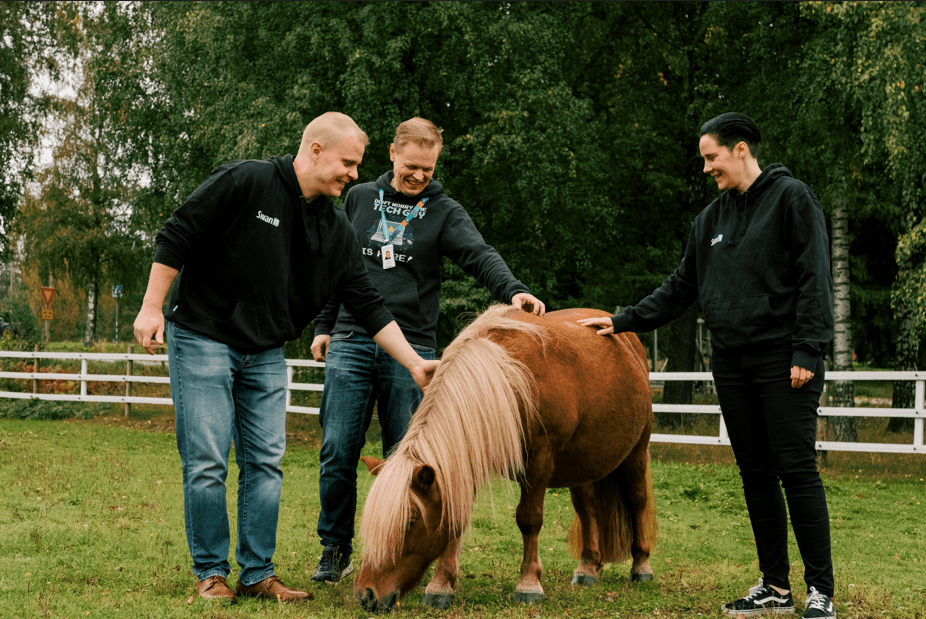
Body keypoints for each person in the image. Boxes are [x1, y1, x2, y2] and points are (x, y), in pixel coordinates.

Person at [133, 112, 440, 604]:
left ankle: (257, 574)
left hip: (265, 351)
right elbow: (178, 233)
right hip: (203, 336)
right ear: (315, 150)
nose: (354, 174)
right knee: (208, 460)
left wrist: (413, 362)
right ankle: (212, 572)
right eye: (348, 162)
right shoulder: (248, 180)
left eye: (358, 166)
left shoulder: (334, 227)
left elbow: (363, 299)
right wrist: (152, 307)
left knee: (267, 463)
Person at [579, 113, 837, 619]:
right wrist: (622, 319)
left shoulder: (792, 199)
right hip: (732, 364)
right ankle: (776, 588)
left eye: (711, 157)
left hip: (784, 361)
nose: (706, 168)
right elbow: (679, 289)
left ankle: (821, 591)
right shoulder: (710, 222)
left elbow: (815, 275)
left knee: (796, 469)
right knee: (755, 473)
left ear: (740, 150)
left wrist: (809, 348)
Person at [309, 117, 545, 583]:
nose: (419, 176)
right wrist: (323, 325)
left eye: (429, 169)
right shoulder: (359, 198)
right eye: (412, 166)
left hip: (413, 347)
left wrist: (512, 290)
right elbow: (341, 265)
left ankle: (401, 550)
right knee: (338, 449)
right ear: (393, 154)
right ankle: (335, 550)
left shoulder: (444, 211)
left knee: (413, 461)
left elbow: (479, 254)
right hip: (353, 338)